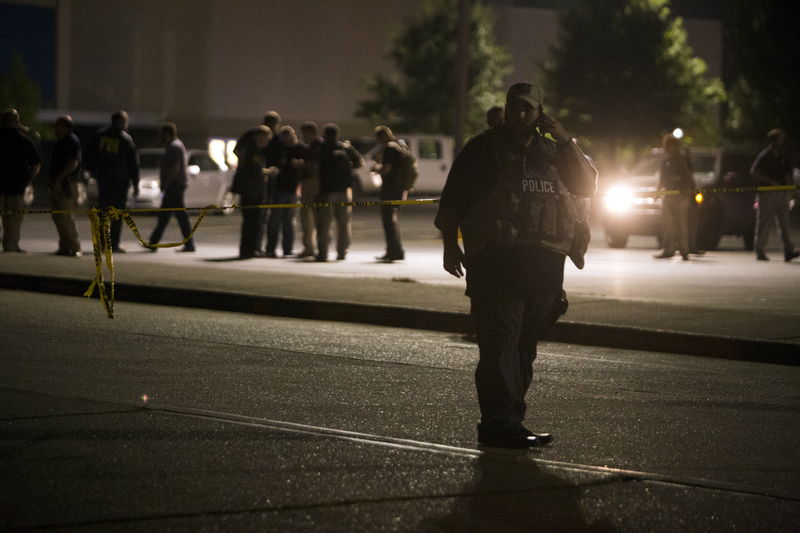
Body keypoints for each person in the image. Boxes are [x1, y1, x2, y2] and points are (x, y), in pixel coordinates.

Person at [435, 82, 597, 448]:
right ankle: (499, 422)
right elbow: (453, 201)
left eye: (528, 109)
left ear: (540, 113)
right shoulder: (483, 149)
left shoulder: (553, 151)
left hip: (544, 268)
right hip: (497, 263)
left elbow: (587, 186)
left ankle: (511, 419)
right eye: (515, 108)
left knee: (525, 347)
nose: (520, 115)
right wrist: (450, 245)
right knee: (501, 345)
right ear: (506, 109)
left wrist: (565, 139)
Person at [85, 110, 139, 253]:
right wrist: (136, 182)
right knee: (117, 213)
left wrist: (91, 172)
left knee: (104, 211)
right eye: (125, 121)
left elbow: (89, 155)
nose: (126, 124)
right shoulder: (125, 139)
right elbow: (133, 163)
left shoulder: (99, 136)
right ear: (120, 122)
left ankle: (103, 243)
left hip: (103, 180)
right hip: (120, 182)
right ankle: (113, 243)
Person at [315, 123, 362, 262]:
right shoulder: (346, 148)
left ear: (325, 135)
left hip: (326, 190)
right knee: (343, 223)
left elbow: (314, 167)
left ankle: (323, 252)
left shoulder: (321, 148)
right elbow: (359, 163)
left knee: (324, 223)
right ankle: (342, 252)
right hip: (344, 190)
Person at [145, 122, 195, 253]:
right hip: (175, 184)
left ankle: (188, 244)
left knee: (178, 215)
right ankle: (153, 242)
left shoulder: (174, 147)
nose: (160, 136)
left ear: (167, 133)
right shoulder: (175, 146)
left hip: (174, 185)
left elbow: (175, 167)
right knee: (166, 215)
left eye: (162, 133)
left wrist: (166, 182)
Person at [751, 129, 799, 262]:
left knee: (784, 223)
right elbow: (754, 172)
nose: (782, 141)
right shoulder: (765, 156)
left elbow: (788, 174)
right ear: (773, 140)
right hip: (767, 193)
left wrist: (792, 190)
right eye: (779, 138)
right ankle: (760, 250)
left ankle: (788, 250)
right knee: (764, 222)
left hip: (782, 193)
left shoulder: (783, 156)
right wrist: (770, 182)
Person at [0, 109, 41, 252]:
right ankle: (10, 245)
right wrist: (29, 180)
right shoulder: (23, 140)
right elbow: (36, 164)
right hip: (17, 186)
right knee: (14, 219)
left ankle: (8, 244)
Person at [232, 125, 274, 258]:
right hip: (252, 191)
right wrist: (269, 171)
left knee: (250, 221)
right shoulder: (253, 149)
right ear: (261, 136)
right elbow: (256, 169)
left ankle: (247, 249)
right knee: (253, 221)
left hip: (250, 190)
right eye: (266, 139)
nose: (266, 143)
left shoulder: (248, 148)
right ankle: (248, 250)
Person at [373, 125, 411, 262]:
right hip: (399, 189)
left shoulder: (389, 148)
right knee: (393, 221)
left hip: (390, 189)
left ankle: (392, 251)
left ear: (382, 136)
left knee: (388, 221)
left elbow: (387, 170)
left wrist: (377, 169)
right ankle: (398, 251)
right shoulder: (400, 145)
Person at [654, 134, 693, 260]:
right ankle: (668, 249)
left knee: (681, 224)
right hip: (667, 195)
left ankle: (684, 250)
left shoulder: (681, 160)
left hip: (679, 196)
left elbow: (687, 177)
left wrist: (685, 192)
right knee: (667, 224)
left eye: (669, 145)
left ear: (675, 146)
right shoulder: (666, 161)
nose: (666, 148)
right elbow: (662, 178)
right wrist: (657, 191)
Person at [265, 126, 303, 257]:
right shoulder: (279, 149)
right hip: (279, 189)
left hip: (293, 190)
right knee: (275, 221)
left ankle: (287, 249)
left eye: (288, 136)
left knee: (288, 221)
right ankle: (271, 249)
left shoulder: (300, 149)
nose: (286, 140)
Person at [49, 115, 83, 257]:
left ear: (64, 127)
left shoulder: (71, 141)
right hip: (59, 182)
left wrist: (59, 178)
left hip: (66, 183)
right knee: (58, 217)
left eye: (57, 126)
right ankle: (64, 246)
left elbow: (73, 163)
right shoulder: (62, 141)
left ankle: (75, 247)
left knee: (66, 217)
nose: (55, 129)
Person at [298, 121, 322, 258]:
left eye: (305, 134)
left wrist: (303, 165)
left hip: (313, 184)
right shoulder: (313, 146)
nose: (303, 137)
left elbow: (315, 167)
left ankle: (313, 247)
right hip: (311, 184)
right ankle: (312, 246)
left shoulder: (316, 147)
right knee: (309, 217)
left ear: (312, 133)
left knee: (311, 217)